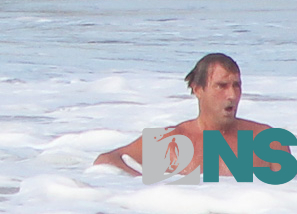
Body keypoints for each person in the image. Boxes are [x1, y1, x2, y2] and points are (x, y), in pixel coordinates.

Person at [94, 53, 276, 177]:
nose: (232, 95)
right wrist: (143, 183)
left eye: (236, 85)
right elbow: (106, 160)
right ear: (198, 89)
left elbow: (292, 194)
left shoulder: (266, 140)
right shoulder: (170, 141)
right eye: (222, 86)